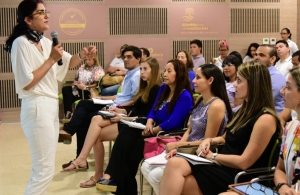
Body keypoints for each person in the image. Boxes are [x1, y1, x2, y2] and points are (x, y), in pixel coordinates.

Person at [3, 0, 96, 195]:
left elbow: (68, 62)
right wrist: (51, 59)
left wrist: (82, 55)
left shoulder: (46, 42)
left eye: (47, 11)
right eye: (40, 12)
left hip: (49, 106)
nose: (46, 15)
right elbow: (27, 81)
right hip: (36, 105)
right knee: (43, 168)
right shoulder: (21, 43)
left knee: (45, 166)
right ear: (28, 19)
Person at [159, 61, 282, 195]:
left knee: (180, 178)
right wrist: (210, 141)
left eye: (239, 81)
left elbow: (244, 162)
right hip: (224, 166)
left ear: (253, 85)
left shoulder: (266, 119)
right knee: (175, 166)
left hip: (241, 175)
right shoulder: (244, 111)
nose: (235, 85)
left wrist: (213, 156)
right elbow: (224, 138)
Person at [96, 59, 194, 195]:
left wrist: (154, 130)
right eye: (164, 71)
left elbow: (173, 121)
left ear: (179, 74)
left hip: (165, 133)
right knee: (126, 132)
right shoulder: (164, 89)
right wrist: (149, 122)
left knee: (131, 150)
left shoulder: (185, 96)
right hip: (152, 127)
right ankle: (113, 178)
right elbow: (153, 110)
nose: (165, 74)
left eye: (169, 71)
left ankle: (115, 180)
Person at [62, 57, 161, 188]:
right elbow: (135, 109)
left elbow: (147, 115)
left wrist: (123, 117)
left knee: (95, 120)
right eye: (141, 69)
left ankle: (83, 160)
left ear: (153, 71)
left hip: (138, 125)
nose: (142, 72)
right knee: (95, 125)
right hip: (131, 119)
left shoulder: (156, 89)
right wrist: (120, 110)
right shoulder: (144, 87)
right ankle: (94, 172)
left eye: (145, 69)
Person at [141, 64, 233, 195]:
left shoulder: (216, 105)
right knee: (146, 166)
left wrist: (179, 145)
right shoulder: (201, 99)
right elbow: (189, 130)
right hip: (187, 149)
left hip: (199, 155)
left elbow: (207, 142)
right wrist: (178, 147)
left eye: (198, 77)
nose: (193, 81)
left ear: (210, 80)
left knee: (155, 175)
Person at [58, 45, 141, 156]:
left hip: (121, 108)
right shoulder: (128, 74)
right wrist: (101, 98)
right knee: (82, 103)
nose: (125, 59)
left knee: (84, 117)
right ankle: (69, 133)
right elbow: (120, 96)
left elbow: (135, 100)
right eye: (124, 57)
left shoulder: (137, 75)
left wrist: (115, 107)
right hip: (114, 103)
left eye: (129, 57)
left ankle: (71, 137)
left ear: (138, 58)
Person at [274, 67, 300, 194]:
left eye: (288, 87)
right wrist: (283, 186)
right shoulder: (290, 127)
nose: (282, 91)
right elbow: (280, 169)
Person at [255, 44, 286, 115]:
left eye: (261, 55)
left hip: (274, 117)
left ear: (272, 59)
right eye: (256, 54)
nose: (257, 57)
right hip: (260, 113)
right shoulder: (259, 73)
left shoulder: (276, 76)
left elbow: (263, 102)